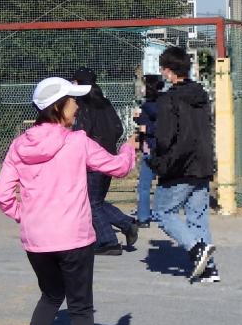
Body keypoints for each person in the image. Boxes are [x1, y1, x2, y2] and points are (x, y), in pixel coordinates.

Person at [0, 77, 136, 325]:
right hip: (74, 237)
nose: (77, 105)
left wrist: (25, 216)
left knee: (51, 294)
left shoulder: (19, 145)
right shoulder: (78, 142)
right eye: (72, 100)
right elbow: (117, 167)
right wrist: (129, 148)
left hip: (36, 241)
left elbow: (1, 194)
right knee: (81, 306)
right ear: (57, 108)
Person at [150, 46, 219, 283]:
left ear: (168, 71)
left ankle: (195, 249)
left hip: (179, 164)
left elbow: (165, 136)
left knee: (162, 212)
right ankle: (208, 269)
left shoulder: (168, 99)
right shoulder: (201, 95)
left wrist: (157, 157)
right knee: (197, 216)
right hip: (202, 162)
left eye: (163, 70)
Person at [71, 66, 138, 256]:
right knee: (95, 201)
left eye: (74, 81)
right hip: (109, 158)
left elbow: (82, 132)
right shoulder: (105, 103)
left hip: (92, 161)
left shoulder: (82, 105)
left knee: (91, 203)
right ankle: (127, 224)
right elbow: (118, 128)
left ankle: (108, 241)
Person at [133, 74, 162, 227]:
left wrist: (145, 127)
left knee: (144, 185)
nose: (141, 88)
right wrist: (138, 120)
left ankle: (143, 217)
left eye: (144, 85)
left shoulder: (150, 106)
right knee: (162, 184)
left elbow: (155, 125)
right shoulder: (164, 104)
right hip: (159, 149)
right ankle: (159, 213)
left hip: (151, 149)